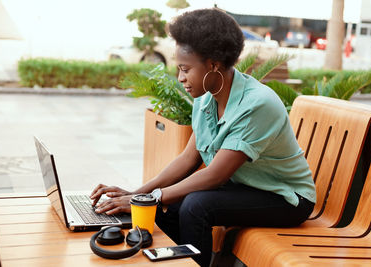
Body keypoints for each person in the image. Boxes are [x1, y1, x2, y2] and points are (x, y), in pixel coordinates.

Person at [90, 9, 316, 267]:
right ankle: (171, 262)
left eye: (186, 69)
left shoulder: (257, 104)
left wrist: (150, 197)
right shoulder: (206, 97)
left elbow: (215, 175)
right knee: (171, 205)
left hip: (287, 198)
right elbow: (188, 157)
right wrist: (138, 193)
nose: (181, 78)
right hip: (247, 187)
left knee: (196, 205)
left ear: (213, 65)